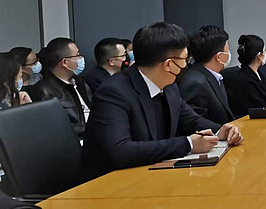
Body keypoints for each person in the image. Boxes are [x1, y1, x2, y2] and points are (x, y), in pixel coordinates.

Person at [82, 22, 243, 173]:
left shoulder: (169, 86)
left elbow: (191, 120)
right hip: (112, 182)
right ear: (168, 65)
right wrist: (188, 144)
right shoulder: (113, 92)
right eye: (185, 59)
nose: (186, 65)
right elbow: (120, 151)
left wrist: (219, 131)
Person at [27, 38, 92, 137]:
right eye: (78, 55)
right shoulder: (44, 91)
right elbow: (55, 129)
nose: (81, 59)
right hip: (77, 139)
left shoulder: (79, 82)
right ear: (65, 62)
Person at [179, 25, 236, 124]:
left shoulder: (213, 75)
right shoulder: (196, 83)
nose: (229, 53)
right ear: (219, 57)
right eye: (227, 49)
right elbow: (194, 124)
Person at [228, 34, 266, 115]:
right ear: (260, 56)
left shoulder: (259, 73)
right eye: (264, 51)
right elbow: (260, 108)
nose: (265, 54)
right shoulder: (246, 81)